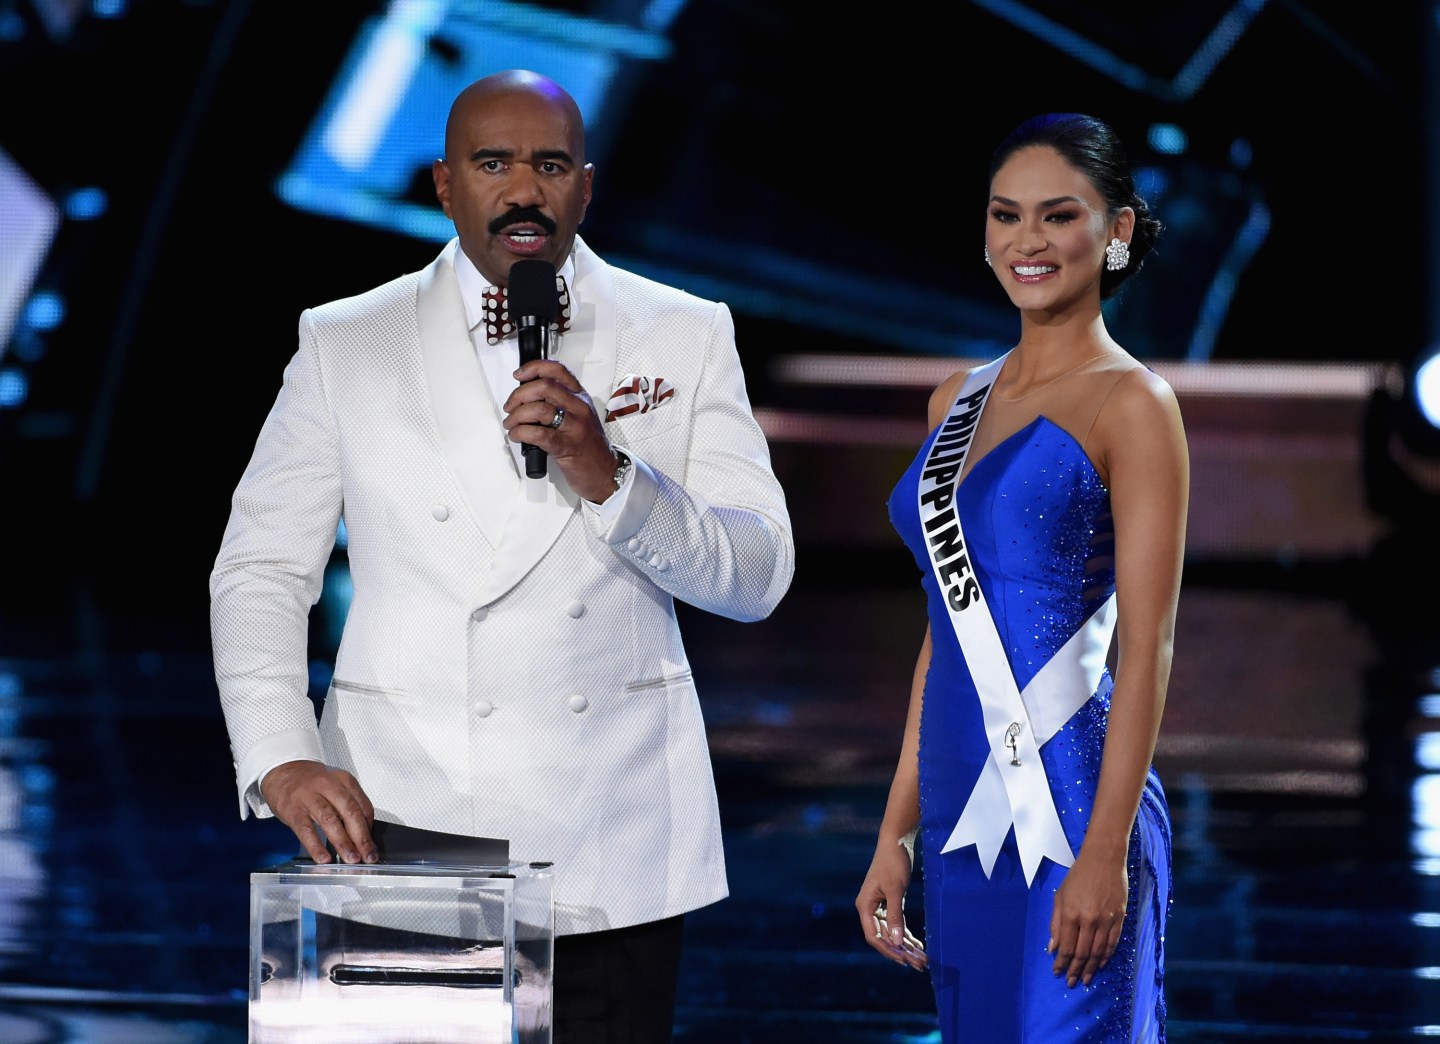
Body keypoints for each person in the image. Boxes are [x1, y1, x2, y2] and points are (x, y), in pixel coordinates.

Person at [210, 68, 795, 1042]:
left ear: (585, 186)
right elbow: (262, 568)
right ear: (445, 184)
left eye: (550, 164)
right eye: (493, 163)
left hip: (612, 838)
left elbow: (757, 577)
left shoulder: (686, 333)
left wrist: (612, 476)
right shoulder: (346, 339)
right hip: (399, 817)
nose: (523, 189)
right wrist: (281, 756)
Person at [855, 112, 1187, 1041]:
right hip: (961, 798)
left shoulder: (1135, 403)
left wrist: (1106, 852)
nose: (1026, 242)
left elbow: (1149, 644)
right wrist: (896, 832)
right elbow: (945, 633)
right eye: (1006, 216)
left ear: (1116, 231)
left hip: (1073, 803)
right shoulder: (952, 400)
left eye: (1058, 216)